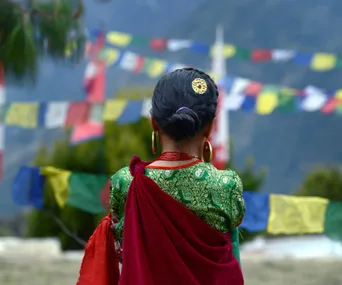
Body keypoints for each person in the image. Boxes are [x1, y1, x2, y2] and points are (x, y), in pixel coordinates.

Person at [77, 68, 245, 285]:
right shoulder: (225, 186)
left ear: (154, 122)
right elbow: (232, 263)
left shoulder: (125, 184)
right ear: (211, 127)